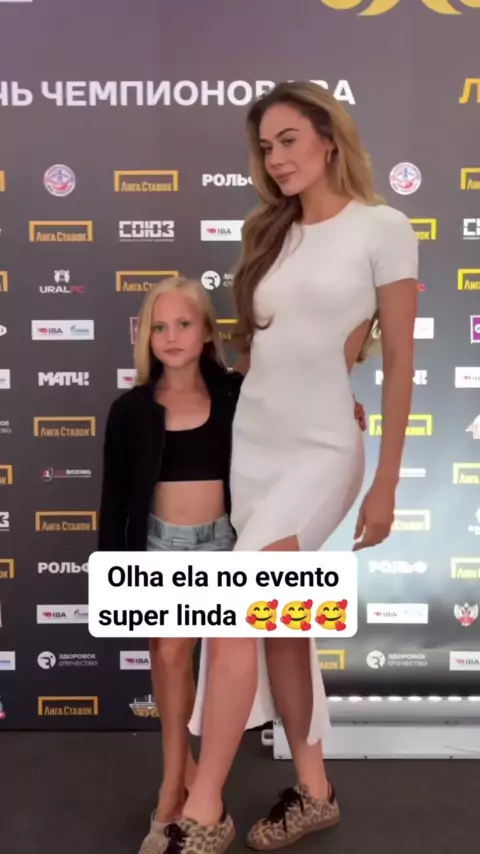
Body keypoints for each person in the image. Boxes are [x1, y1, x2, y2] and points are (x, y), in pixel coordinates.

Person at [164, 81, 418, 854]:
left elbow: (400, 363)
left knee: (239, 607)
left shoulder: (383, 226)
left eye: (288, 140)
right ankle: (314, 791)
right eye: (265, 147)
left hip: (322, 451)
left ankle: (203, 809)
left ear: (328, 138)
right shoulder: (268, 233)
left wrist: (385, 481)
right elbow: (263, 355)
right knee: (283, 622)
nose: (275, 159)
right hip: (255, 449)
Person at [97, 274, 368, 854]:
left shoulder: (234, 395)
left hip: (226, 543)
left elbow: (291, 417)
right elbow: (114, 499)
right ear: (146, 338)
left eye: (184, 324)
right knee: (170, 657)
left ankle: (208, 798)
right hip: (159, 548)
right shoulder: (129, 410)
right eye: (159, 327)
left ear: (206, 332)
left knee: (241, 651)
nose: (172, 337)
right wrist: (115, 571)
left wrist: (339, 412)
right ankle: (174, 783)